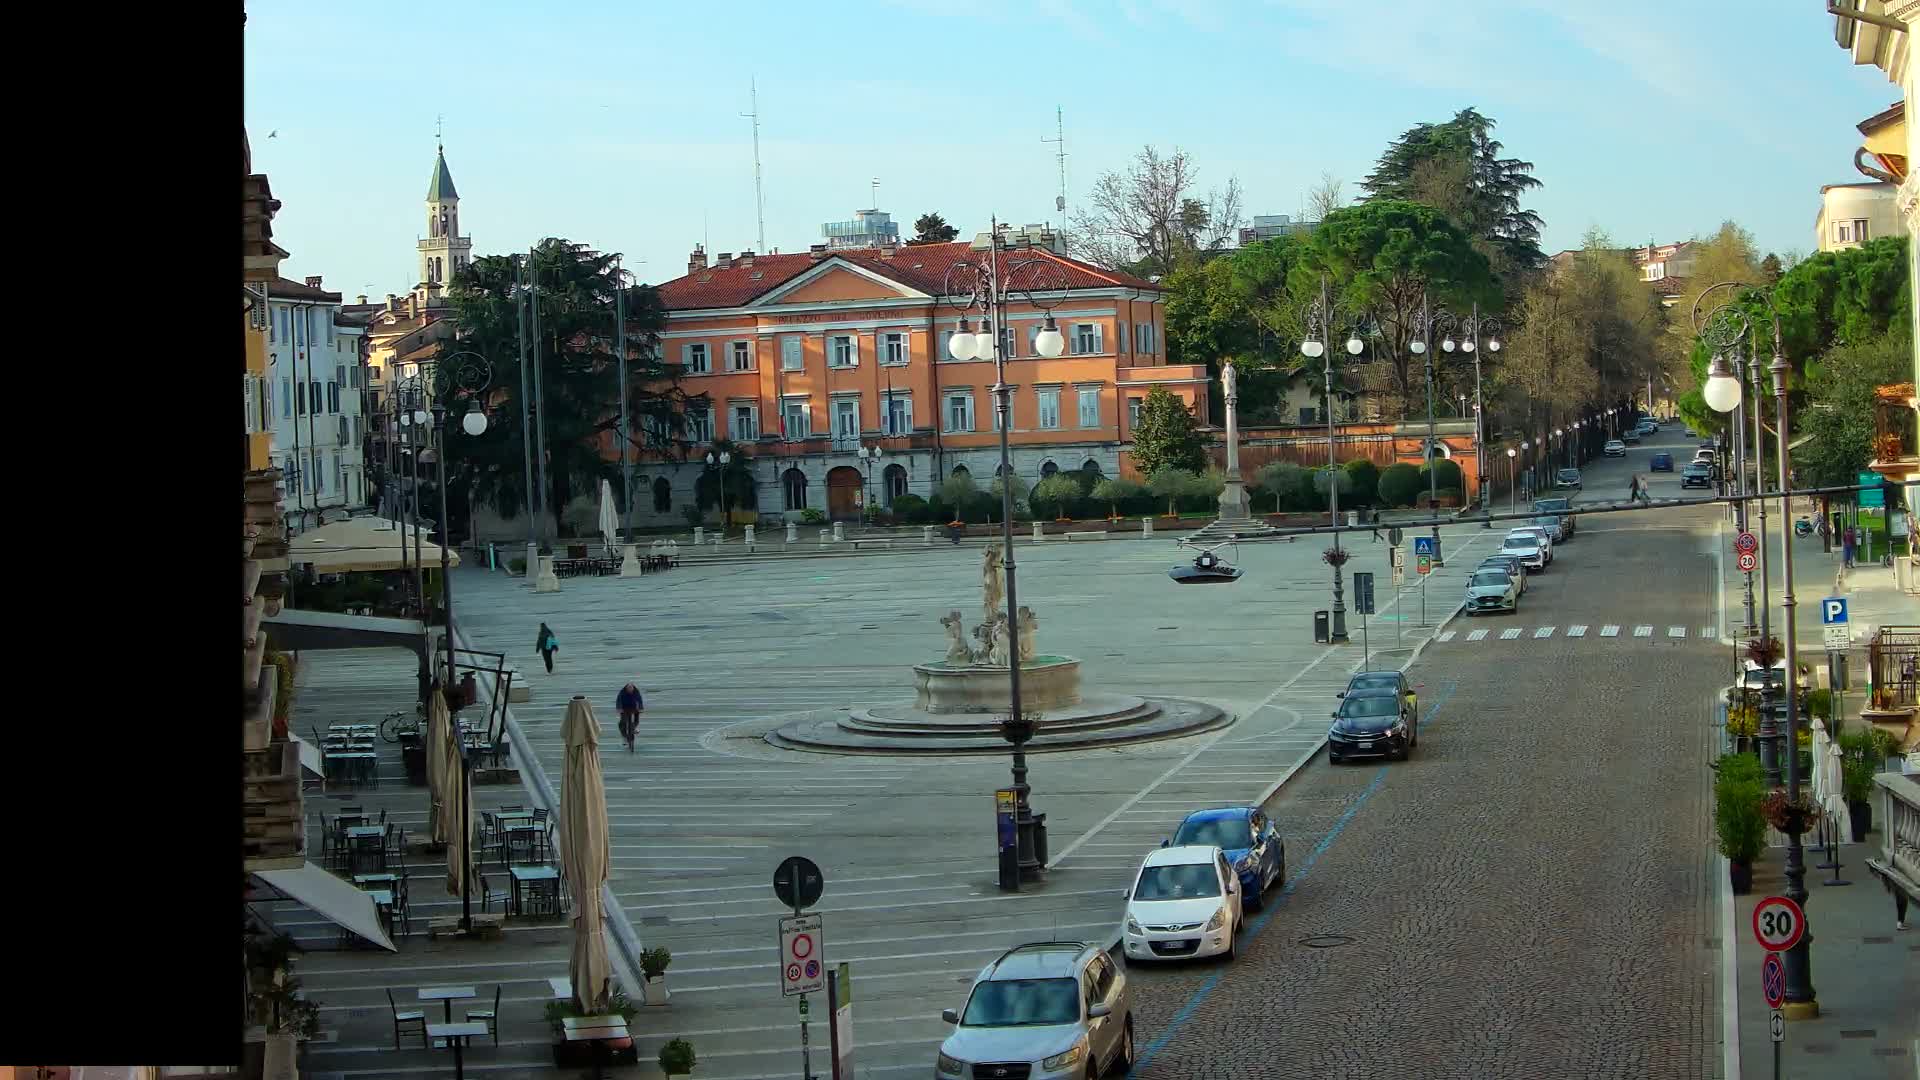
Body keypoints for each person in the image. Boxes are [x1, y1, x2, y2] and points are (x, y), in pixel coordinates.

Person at [616, 682, 644, 752]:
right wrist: (619, 708)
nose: (630, 690)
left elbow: (639, 700)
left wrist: (641, 708)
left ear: (633, 688)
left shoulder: (636, 692)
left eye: (631, 689)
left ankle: (634, 728)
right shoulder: (622, 692)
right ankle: (624, 737)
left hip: (633, 707)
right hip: (624, 708)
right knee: (623, 722)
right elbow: (618, 701)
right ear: (626, 689)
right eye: (629, 689)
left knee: (636, 718)